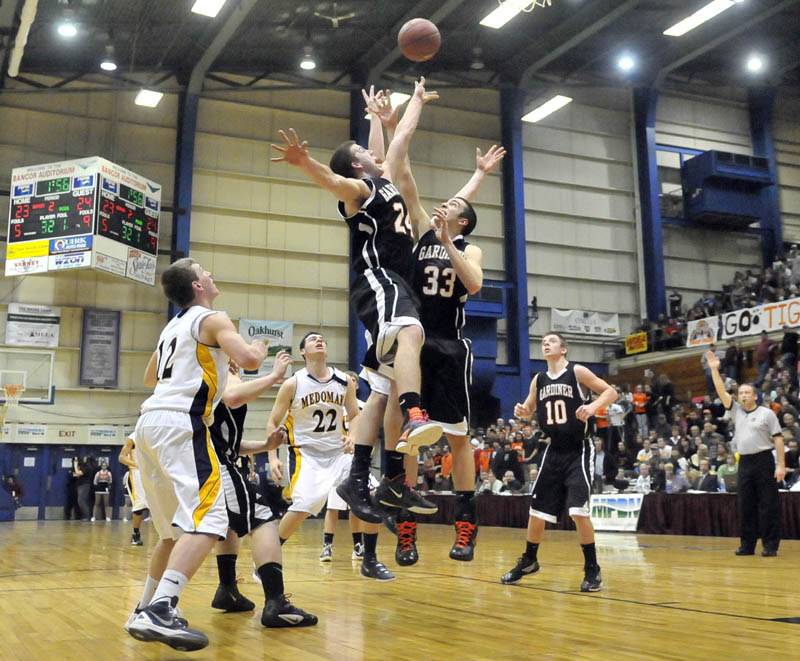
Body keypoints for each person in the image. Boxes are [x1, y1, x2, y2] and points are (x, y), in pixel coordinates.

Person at [270, 79, 444, 524]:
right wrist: (304, 161)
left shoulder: (380, 180)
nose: (375, 152)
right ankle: (415, 413)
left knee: (380, 391)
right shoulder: (362, 191)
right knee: (411, 333)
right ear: (357, 164)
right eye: (366, 153)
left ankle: (369, 476)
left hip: (395, 284)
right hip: (378, 280)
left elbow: (385, 148)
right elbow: (334, 178)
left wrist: (374, 119)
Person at [125, 258, 270, 652]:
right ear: (196, 285)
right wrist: (253, 348)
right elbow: (253, 361)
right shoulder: (213, 316)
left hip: (148, 423)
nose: (211, 274)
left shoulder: (171, 327)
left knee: (174, 530)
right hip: (181, 423)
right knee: (211, 517)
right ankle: (162, 608)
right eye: (205, 271)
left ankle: (143, 608)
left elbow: (149, 379)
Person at [266, 332, 394, 581]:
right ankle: (268, 559)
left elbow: (356, 416)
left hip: (340, 453)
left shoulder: (344, 380)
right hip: (307, 455)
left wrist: (353, 438)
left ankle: (369, 559)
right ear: (302, 351)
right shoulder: (293, 384)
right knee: (303, 506)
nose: (319, 340)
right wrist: (272, 457)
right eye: (312, 339)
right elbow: (273, 422)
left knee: (369, 493)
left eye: (323, 338)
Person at [501, 333, 617, 592]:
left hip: (579, 449)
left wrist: (593, 407)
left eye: (551, 341)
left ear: (563, 349)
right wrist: (522, 411)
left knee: (578, 511)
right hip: (553, 451)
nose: (545, 344)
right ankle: (530, 560)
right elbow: (529, 409)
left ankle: (592, 569)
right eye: (543, 342)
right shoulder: (538, 379)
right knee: (536, 511)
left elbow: (611, 392)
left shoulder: (577, 371)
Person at [208, 355, 316, 628]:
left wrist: (265, 444)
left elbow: (228, 442)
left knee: (227, 523)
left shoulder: (201, 377)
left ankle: (227, 589)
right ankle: (276, 602)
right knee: (263, 517)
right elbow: (232, 396)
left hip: (202, 461)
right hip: (215, 465)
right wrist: (273, 376)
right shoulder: (220, 374)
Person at [705, 350, 786, 557]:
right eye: (740, 393)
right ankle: (747, 545)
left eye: (746, 393)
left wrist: (781, 466)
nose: (742, 395)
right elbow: (722, 392)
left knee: (768, 504)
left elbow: (778, 439)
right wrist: (715, 369)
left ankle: (770, 546)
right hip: (746, 463)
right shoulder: (736, 411)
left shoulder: (767, 414)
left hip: (764, 460)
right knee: (745, 505)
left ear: (755, 396)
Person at [119, 436, 147, 545]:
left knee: (157, 504)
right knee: (139, 505)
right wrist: (136, 464)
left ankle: (165, 534)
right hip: (137, 474)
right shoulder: (133, 438)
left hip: (152, 473)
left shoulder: (154, 435)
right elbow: (121, 457)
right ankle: (136, 534)